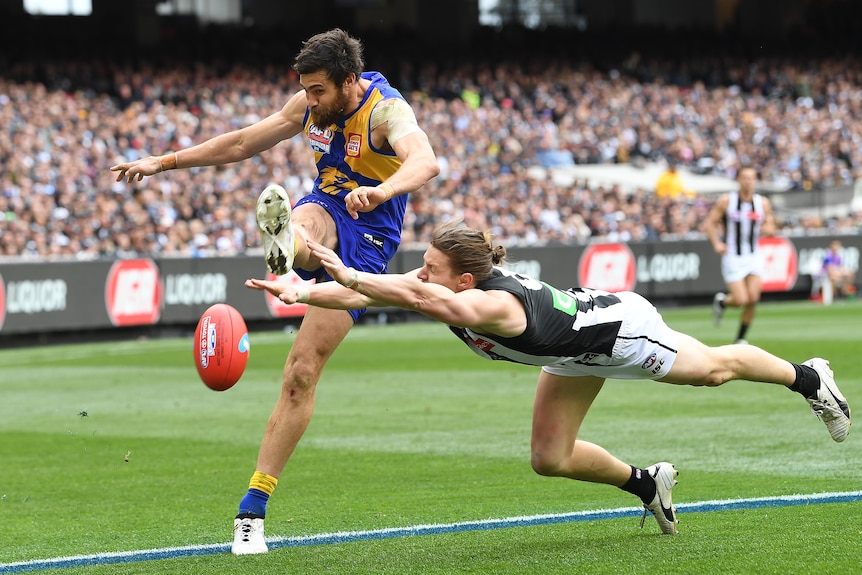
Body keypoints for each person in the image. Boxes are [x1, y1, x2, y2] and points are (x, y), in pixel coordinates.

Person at [245, 222, 852, 536]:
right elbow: (395, 291)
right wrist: (303, 289)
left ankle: (807, 377)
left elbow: (425, 302)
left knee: (714, 371)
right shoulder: (445, 286)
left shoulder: (489, 305)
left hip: (618, 331)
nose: (420, 273)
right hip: (570, 354)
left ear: (464, 279)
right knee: (548, 457)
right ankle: (647, 483)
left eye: (432, 267)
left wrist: (344, 272)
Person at [110, 28, 440, 554]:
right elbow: (242, 142)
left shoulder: (386, 111)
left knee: (301, 372)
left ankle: (295, 252)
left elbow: (426, 161)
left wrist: (383, 189)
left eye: (318, 92)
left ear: (349, 81)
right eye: (305, 90)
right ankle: (292, 245)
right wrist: (163, 161)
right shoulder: (308, 104)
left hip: (371, 236)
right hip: (326, 207)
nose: (309, 101)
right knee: (309, 218)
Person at [704, 165, 775, 344]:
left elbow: (771, 226)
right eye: (744, 177)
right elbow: (709, 224)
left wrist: (769, 229)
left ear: (755, 181)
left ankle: (740, 339)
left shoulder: (762, 203)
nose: (748, 181)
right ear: (738, 180)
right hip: (733, 256)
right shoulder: (727, 200)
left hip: (753, 255)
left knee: (753, 299)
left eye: (751, 178)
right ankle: (722, 303)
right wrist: (717, 244)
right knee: (741, 299)